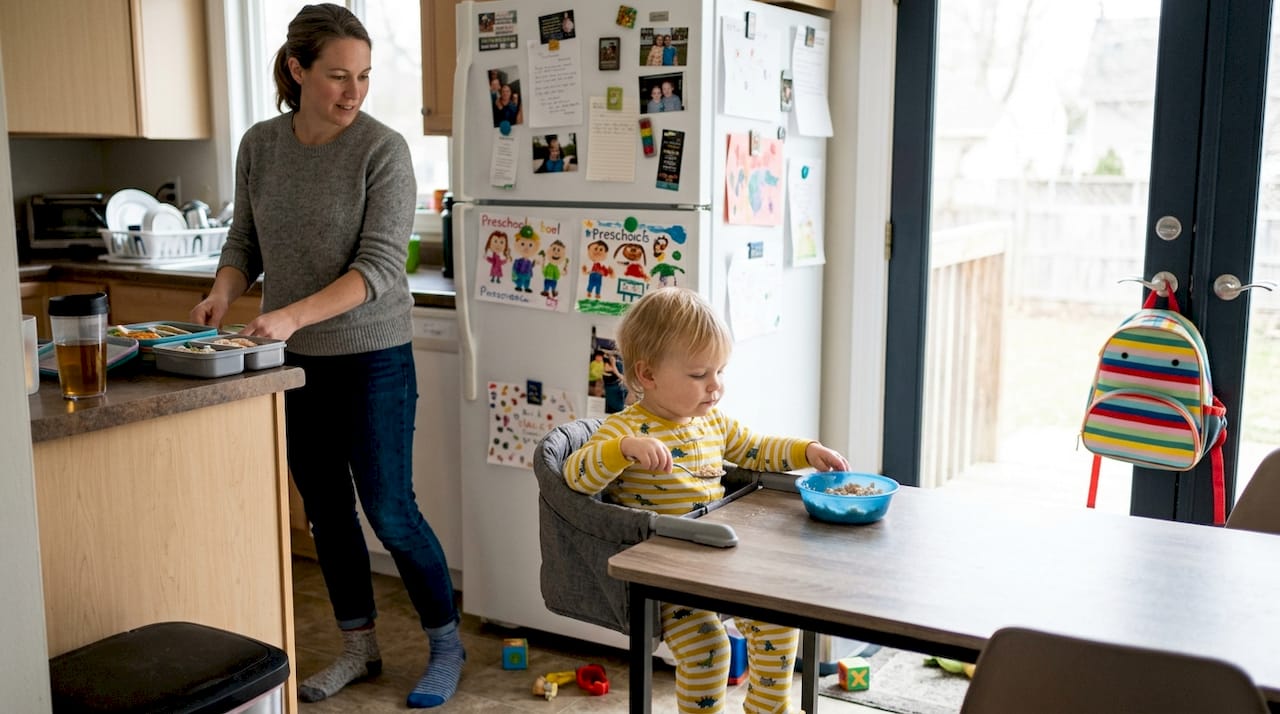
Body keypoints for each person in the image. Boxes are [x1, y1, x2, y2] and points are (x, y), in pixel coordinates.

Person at [187, 4, 465, 709]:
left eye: (364, 76)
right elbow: (243, 244)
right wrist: (224, 292)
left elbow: (377, 267)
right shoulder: (259, 145)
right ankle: (359, 646)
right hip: (295, 361)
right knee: (327, 512)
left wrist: (289, 314)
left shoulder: (382, 149)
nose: (354, 91)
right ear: (296, 69)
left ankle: (446, 645)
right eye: (339, 75)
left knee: (391, 511)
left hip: (372, 356)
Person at [562, 287, 848, 713]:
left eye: (720, 372)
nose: (714, 386)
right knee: (709, 650)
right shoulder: (625, 429)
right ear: (648, 375)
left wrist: (806, 451)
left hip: (720, 567)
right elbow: (576, 477)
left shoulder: (711, 422)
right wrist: (621, 450)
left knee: (779, 622)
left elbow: (756, 447)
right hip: (667, 580)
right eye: (699, 375)